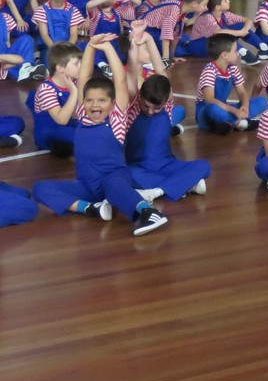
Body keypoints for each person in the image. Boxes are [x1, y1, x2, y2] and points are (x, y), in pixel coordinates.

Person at [32, 34, 169, 235]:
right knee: (39, 189)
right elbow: (84, 77)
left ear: (112, 104)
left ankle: (148, 212)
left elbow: (120, 79)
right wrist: (90, 46)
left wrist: (107, 48)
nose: (95, 105)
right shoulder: (82, 116)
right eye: (89, 101)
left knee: (115, 186)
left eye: (102, 101)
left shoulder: (116, 119)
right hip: (87, 185)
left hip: (112, 179)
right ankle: (92, 208)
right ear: (83, 102)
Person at [124, 28, 210, 201]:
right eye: (146, 106)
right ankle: (184, 184)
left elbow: (160, 70)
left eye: (156, 109)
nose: (150, 111)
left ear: (165, 102)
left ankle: (157, 191)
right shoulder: (133, 105)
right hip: (139, 168)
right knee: (125, 174)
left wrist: (149, 40)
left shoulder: (168, 104)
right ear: (140, 97)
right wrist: (135, 44)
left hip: (166, 165)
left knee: (204, 165)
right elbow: (131, 73)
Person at [194, 34, 268, 134]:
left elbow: (242, 92)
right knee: (213, 108)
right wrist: (235, 111)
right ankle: (242, 123)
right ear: (224, 55)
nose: (237, 54)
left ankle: (229, 123)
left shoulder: (232, 68)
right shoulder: (210, 71)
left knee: (261, 101)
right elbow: (210, 99)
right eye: (235, 51)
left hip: (225, 108)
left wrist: (245, 106)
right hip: (206, 112)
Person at [29, 42, 83, 155]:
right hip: (49, 131)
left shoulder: (75, 82)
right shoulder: (47, 89)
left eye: (81, 62)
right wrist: (74, 93)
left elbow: (77, 113)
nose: (81, 66)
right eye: (76, 64)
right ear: (60, 68)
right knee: (82, 136)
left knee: (96, 130)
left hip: (68, 125)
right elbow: (61, 120)